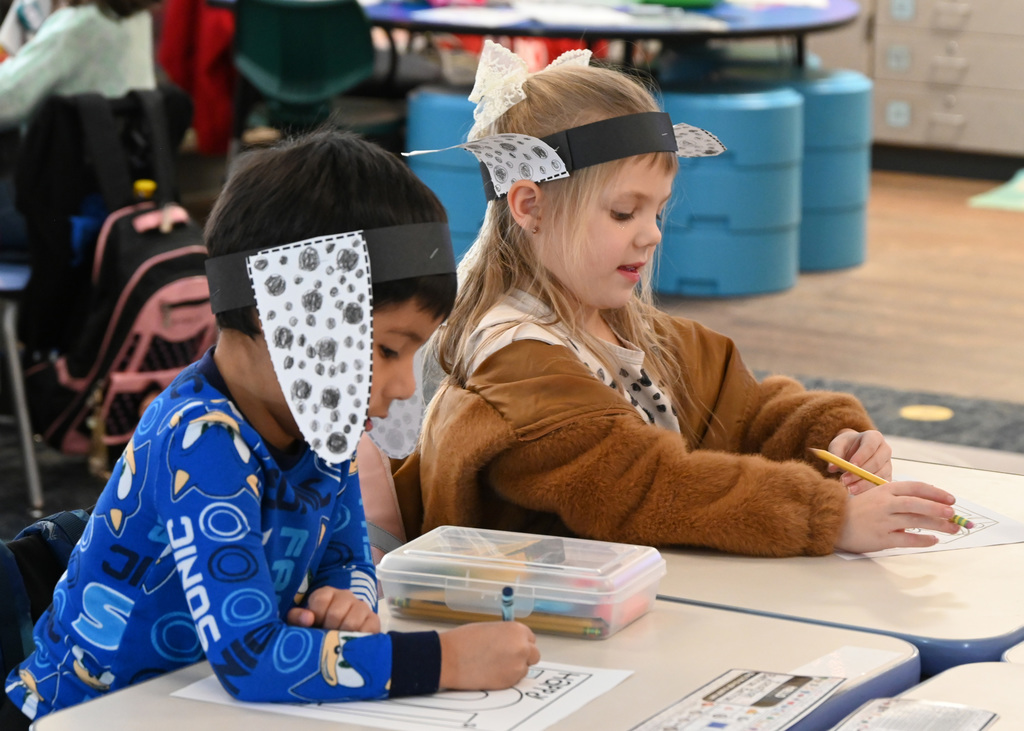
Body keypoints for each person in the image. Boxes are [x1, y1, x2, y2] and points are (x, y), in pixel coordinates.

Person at [1, 128, 539, 728]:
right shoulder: (201, 439)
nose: (407, 386)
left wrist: (347, 603)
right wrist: (444, 659)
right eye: (388, 350)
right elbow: (251, 658)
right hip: (83, 716)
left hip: (196, 704)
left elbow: (349, 560)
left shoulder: (320, 425)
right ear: (281, 316)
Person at [393, 40, 963, 558]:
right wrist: (826, 517)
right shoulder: (513, 357)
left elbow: (747, 410)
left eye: (657, 211)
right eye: (623, 212)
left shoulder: (625, 328)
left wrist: (831, 440)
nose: (651, 234)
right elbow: (642, 487)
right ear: (529, 207)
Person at [0, 0, 156, 127]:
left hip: (59, 158)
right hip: (112, 158)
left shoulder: (78, 26)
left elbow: (8, 99)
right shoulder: (139, 20)